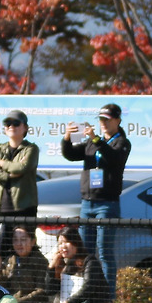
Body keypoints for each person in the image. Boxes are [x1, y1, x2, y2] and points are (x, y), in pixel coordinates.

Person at [62, 102, 130, 292]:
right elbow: (70, 154)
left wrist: (95, 138)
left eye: (107, 120)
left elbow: (113, 158)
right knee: (85, 252)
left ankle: (108, 297)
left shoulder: (122, 142)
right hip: (87, 203)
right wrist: (67, 137)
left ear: (117, 120)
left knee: (105, 251)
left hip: (107, 204)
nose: (103, 123)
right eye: (101, 120)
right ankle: (87, 293)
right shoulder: (91, 143)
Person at [0, 109, 39, 258]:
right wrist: (10, 175)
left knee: (24, 251)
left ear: (25, 128)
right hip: (1, 207)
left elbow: (22, 168)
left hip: (24, 207)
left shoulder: (31, 149)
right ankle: (4, 274)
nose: (11, 126)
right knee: (1, 252)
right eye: (7, 123)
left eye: (16, 123)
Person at [0, 225, 53, 303]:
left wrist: (17, 302)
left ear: (33, 241)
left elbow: (41, 291)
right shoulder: (10, 260)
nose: (19, 244)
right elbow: (0, 285)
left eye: (23, 240)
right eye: (15, 240)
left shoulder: (40, 262)